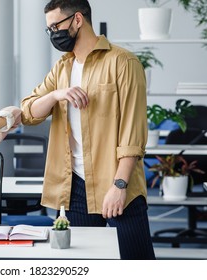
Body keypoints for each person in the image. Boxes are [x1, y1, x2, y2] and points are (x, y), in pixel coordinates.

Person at [21, 0, 155, 259]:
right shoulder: (62, 68)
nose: (53, 34)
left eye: (56, 26)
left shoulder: (123, 62)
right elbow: (28, 112)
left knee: (136, 263)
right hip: (75, 187)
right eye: (48, 29)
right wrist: (57, 94)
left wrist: (119, 184)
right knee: (86, 265)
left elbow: (133, 132)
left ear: (78, 19)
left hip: (116, 183)